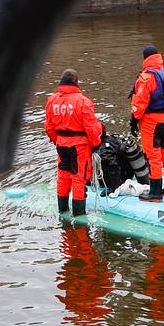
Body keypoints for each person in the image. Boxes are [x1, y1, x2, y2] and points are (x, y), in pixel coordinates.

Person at [44, 69, 104, 217]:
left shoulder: (52, 100)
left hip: (61, 144)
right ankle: (79, 217)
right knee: (79, 179)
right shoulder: (83, 102)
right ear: (76, 83)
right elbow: (91, 128)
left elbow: (49, 127)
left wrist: (57, 141)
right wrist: (96, 143)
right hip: (79, 146)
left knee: (63, 177)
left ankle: (62, 211)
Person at [130, 45, 164, 201]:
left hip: (151, 122)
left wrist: (134, 120)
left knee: (153, 157)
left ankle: (155, 193)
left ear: (145, 58)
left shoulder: (146, 77)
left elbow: (139, 103)